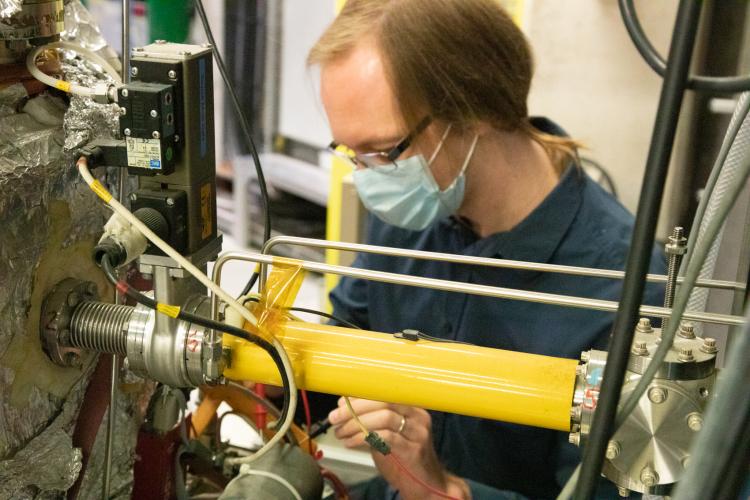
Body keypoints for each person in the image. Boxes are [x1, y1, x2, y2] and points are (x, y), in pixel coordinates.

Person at [306, 1, 666, 498]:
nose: (367, 179)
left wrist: (436, 488)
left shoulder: (621, 284)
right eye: (351, 154)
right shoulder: (420, 205)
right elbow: (341, 346)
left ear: (475, 110)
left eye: (384, 151)